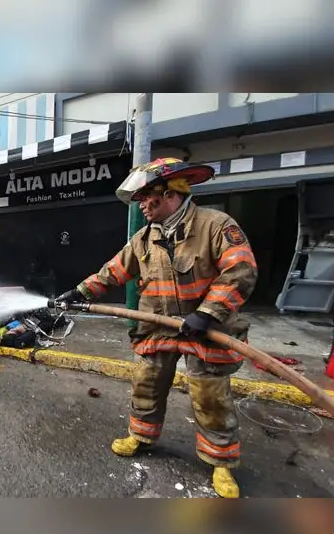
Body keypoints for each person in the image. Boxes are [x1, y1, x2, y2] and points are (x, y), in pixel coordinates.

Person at [55, 157, 258, 498]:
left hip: (207, 328)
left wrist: (207, 313)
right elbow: (113, 271)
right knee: (146, 383)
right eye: (139, 199)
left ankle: (221, 461)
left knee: (210, 394)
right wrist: (78, 292)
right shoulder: (143, 239)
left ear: (169, 194)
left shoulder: (216, 226)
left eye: (146, 198)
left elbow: (240, 271)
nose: (142, 206)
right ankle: (142, 435)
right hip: (157, 326)